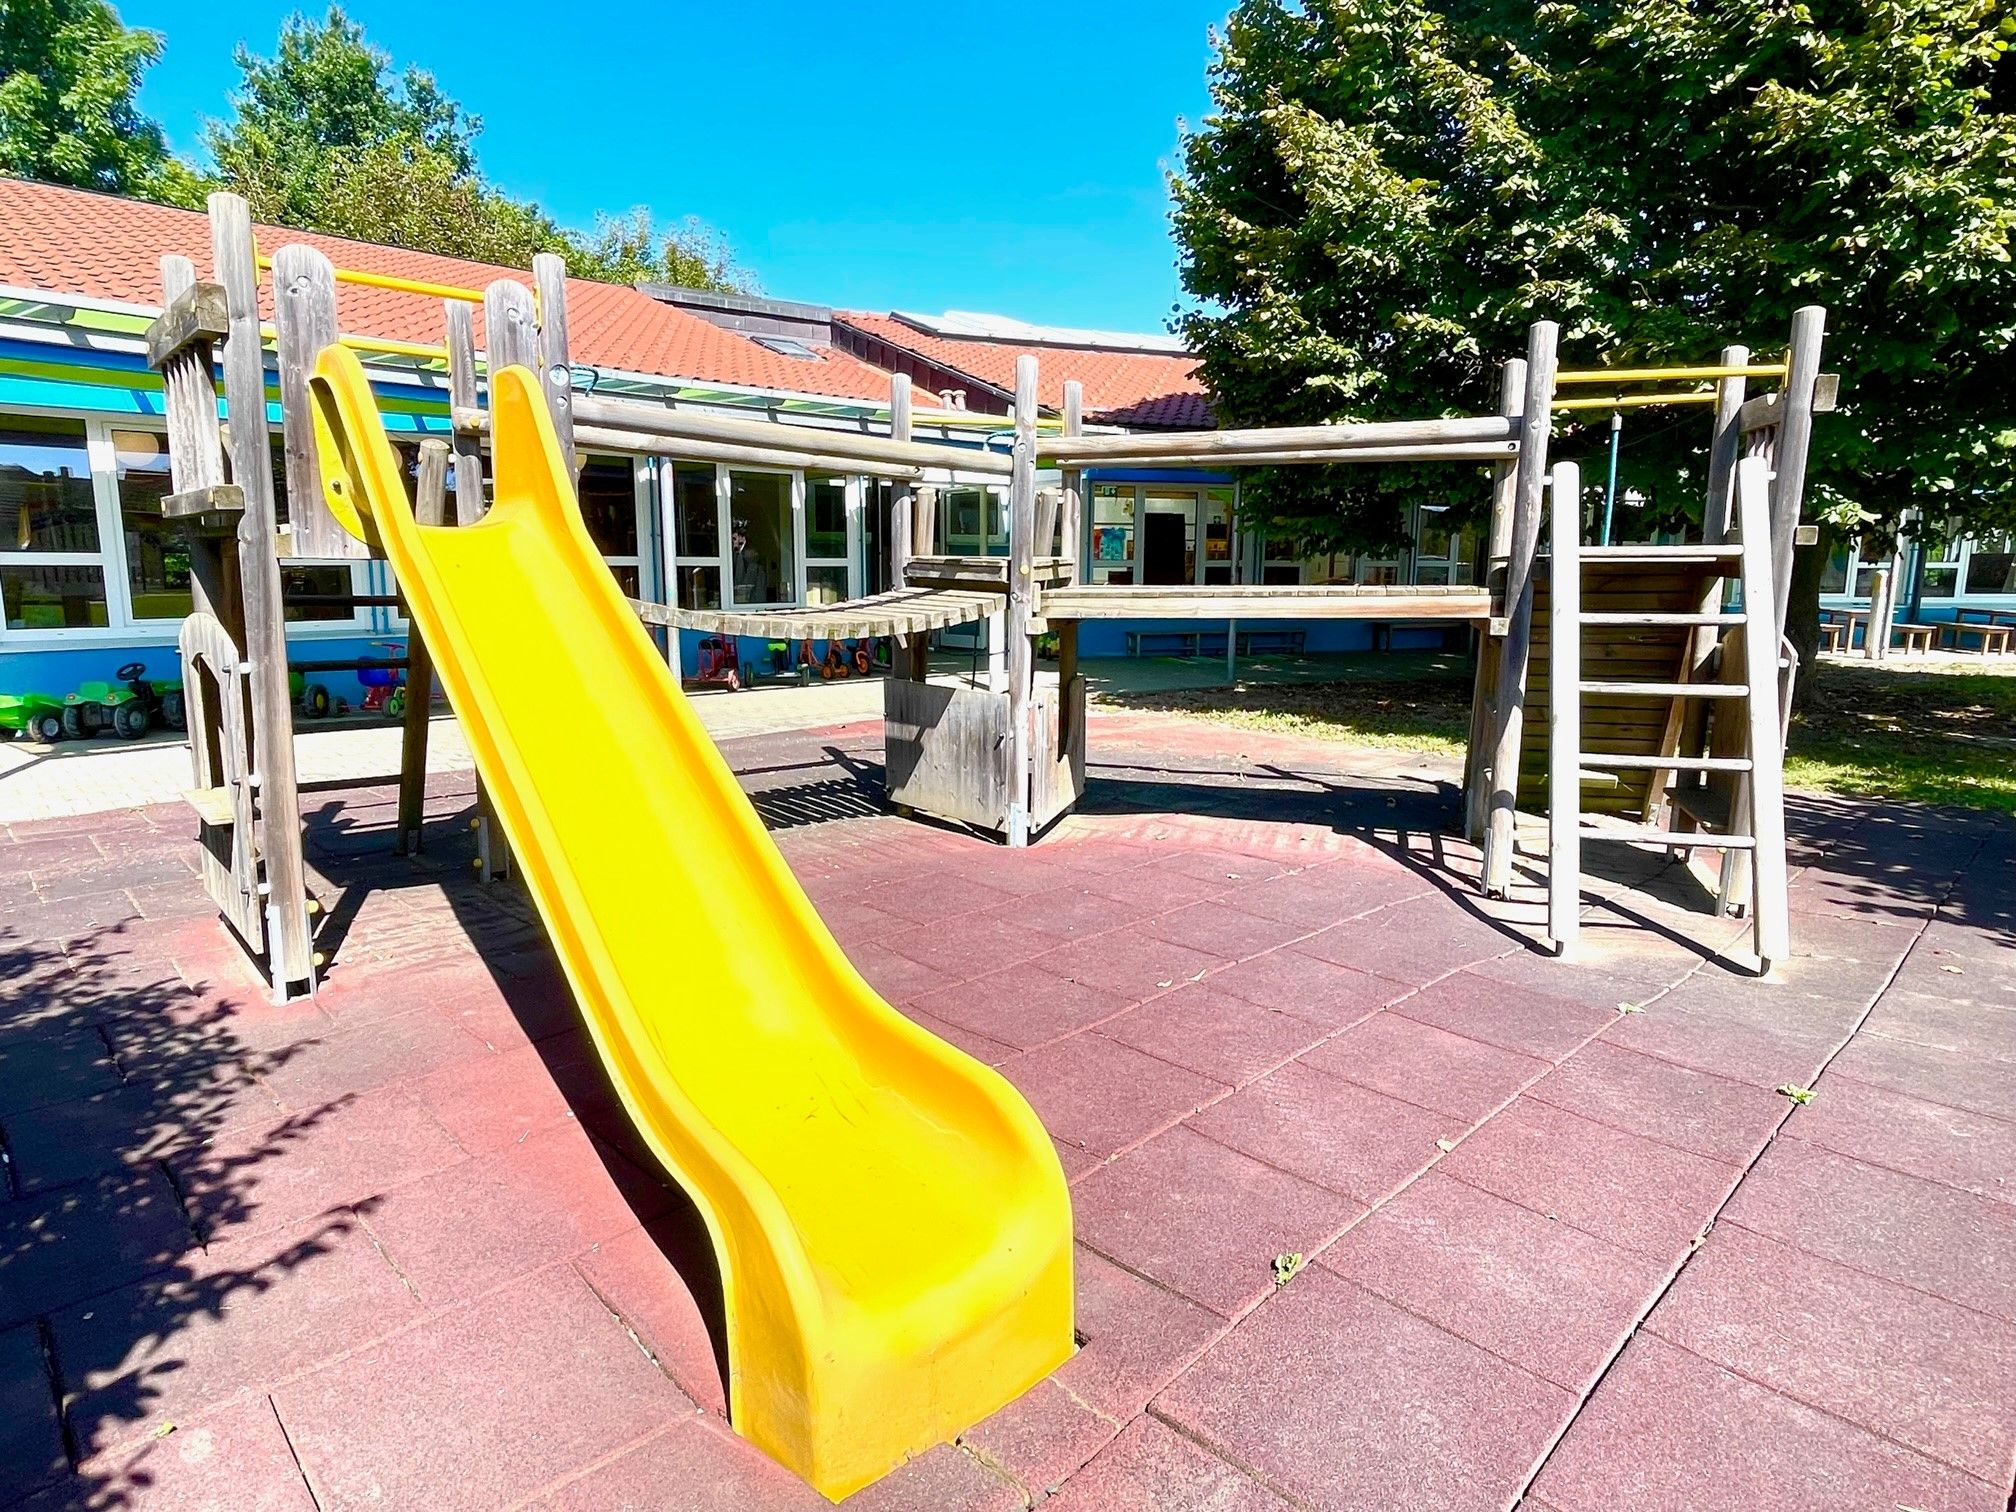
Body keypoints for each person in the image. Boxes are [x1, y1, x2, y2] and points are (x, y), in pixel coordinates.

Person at [730, 519, 771, 604]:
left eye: (734, 539)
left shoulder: (749, 554)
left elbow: (743, 580)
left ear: (742, 538)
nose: (733, 542)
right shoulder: (737, 553)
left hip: (750, 595)